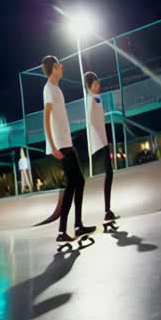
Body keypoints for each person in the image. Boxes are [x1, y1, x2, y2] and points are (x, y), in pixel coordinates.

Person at [42, 56, 95, 242]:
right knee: (75, 183)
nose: (62, 67)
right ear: (53, 69)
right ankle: (64, 230)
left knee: (76, 183)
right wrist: (53, 146)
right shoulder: (49, 89)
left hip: (67, 143)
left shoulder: (56, 89)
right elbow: (46, 118)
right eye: (59, 65)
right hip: (61, 146)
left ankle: (75, 226)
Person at [84, 71, 119, 223]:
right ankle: (107, 210)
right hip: (100, 141)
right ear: (90, 86)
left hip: (103, 140)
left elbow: (99, 119)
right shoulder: (91, 99)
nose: (99, 87)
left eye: (99, 84)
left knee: (109, 173)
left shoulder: (97, 97)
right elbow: (91, 120)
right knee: (109, 173)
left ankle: (108, 210)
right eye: (96, 84)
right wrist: (100, 140)